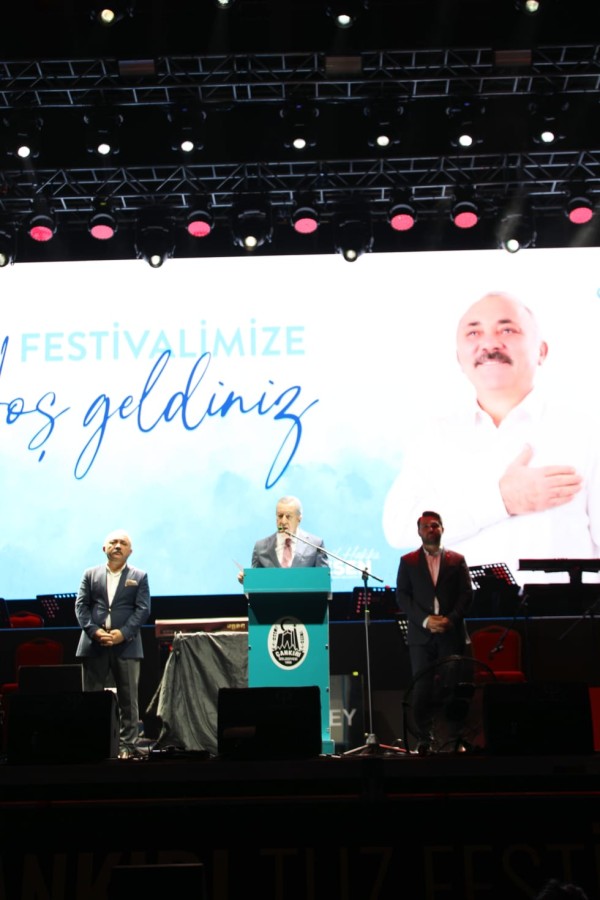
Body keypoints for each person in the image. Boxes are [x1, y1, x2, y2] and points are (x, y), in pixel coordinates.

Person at [383, 291, 600, 585]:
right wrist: (501, 499)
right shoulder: (435, 437)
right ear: (459, 358)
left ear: (541, 351)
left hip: (566, 613)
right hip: (460, 612)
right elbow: (400, 528)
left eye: (507, 330)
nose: (489, 344)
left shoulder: (586, 433)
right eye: (474, 333)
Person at [396, 510, 473, 754]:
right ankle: (424, 739)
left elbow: (466, 594)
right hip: (421, 636)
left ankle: (453, 738)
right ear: (419, 531)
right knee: (422, 689)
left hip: (451, 633)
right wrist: (425, 620)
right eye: (427, 526)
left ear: (442, 529)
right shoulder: (408, 561)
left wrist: (450, 620)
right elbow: (402, 596)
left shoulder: (457, 560)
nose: (431, 529)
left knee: (452, 686)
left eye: (435, 525)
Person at [75, 529, 151, 760]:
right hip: (94, 644)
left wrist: (123, 634)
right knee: (91, 699)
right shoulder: (90, 574)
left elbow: (143, 610)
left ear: (130, 551)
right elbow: (81, 607)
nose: (118, 546)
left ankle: (128, 746)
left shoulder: (139, 576)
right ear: (104, 548)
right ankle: (92, 745)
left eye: (123, 543)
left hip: (126, 646)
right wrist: (95, 632)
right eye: (113, 542)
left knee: (129, 701)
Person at [238, 495, 328, 582]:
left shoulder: (316, 545)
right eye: (280, 516)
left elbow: (323, 581)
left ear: (299, 518)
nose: (283, 521)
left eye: (288, 517)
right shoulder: (260, 547)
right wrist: (247, 580)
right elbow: (256, 583)